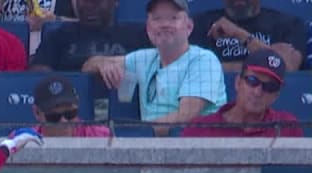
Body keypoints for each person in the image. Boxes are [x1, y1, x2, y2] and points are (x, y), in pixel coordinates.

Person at [82, 0, 225, 131]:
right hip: (151, 149)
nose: (164, 24)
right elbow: (87, 66)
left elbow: (184, 117)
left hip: (197, 148)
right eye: (157, 19)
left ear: (189, 27)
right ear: (148, 28)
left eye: (173, 18)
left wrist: (137, 136)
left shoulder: (204, 60)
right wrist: (102, 63)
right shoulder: (143, 58)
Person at [181, 47, 302, 137]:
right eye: (252, 81)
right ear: (238, 83)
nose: (258, 92)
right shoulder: (200, 128)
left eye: (270, 86)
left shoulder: (287, 127)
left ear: (276, 95)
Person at [29, 0, 150, 72]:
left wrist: (107, 62)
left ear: (115, 1)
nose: (89, 6)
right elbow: (37, 79)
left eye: (97, 1)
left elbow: (158, 68)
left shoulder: (138, 35)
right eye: (84, 1)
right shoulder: (57, 36)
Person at [189, 0, 305, 72]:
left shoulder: (287, 23)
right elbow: (191, 69)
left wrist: (239, 34)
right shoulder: (199, 24)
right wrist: (265, 67)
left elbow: (288, 68)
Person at [31, 73, 110, 137]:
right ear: (37, 113)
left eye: (70, 114)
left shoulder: (101, 136)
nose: (64, 121)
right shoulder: (24, 142)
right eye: (53, 117)